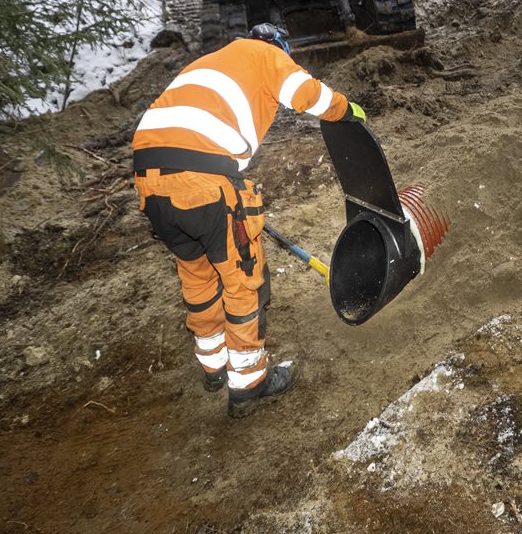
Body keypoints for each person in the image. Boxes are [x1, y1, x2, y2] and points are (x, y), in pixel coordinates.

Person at [131, 23, 367, 418]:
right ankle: (249, 382)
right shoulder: (267, 54)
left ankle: (213, 366)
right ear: (278, 46)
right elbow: (307, 93)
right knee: (242, 280)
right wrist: (346, 111)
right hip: (203, 180)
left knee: (198, 276)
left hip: (149, 181)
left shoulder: (211, 62)